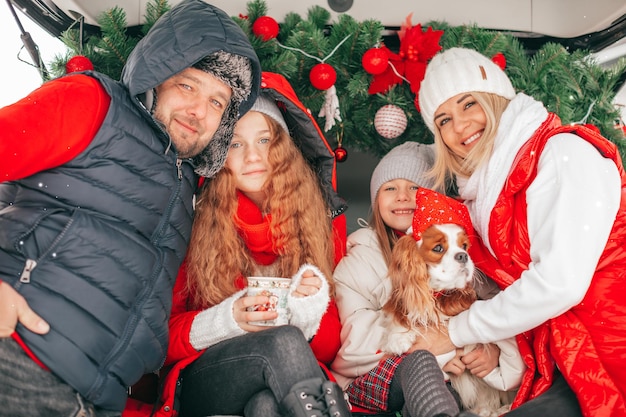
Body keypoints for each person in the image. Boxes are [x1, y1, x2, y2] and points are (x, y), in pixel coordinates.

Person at [0, 0, 261, 415]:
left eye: (217, 103)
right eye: (188, 86)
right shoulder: (93, 104)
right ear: (155, 78)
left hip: (89, 401)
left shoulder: (188, 187)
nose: (199, 111)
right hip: (17, 362)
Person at [417, 47, 626, 416]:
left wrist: (457, 332)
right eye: (443, 120)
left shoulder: (563, 153)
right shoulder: (484, 196)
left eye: (469, 104)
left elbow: (558, 283)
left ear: (498, 100)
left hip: (611, 350)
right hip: (568, 358)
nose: (460, 126)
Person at [154, 71, 351, 417]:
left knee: (265, 407)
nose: (253, 156)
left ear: (285, 150)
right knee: (285, 342)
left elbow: (332, 347)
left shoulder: (317, 224)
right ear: (219, 154)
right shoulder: (193, 220)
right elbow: (159, 339)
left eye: (264, 141)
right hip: (207, 378)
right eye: (235, 144)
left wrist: (307, 311)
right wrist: (228, 319)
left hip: (282, 382)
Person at [330, 142, 497, 417]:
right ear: (376, 199)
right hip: (378, 378)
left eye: (415, 188)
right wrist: (439, 347)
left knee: (455, 394)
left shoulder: (463, 252)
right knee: (423, 364)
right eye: (390, 188)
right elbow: (354, 346)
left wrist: (489, 350)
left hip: (451, 379)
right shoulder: (357, 260)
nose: (403, 197)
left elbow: (501, 308)